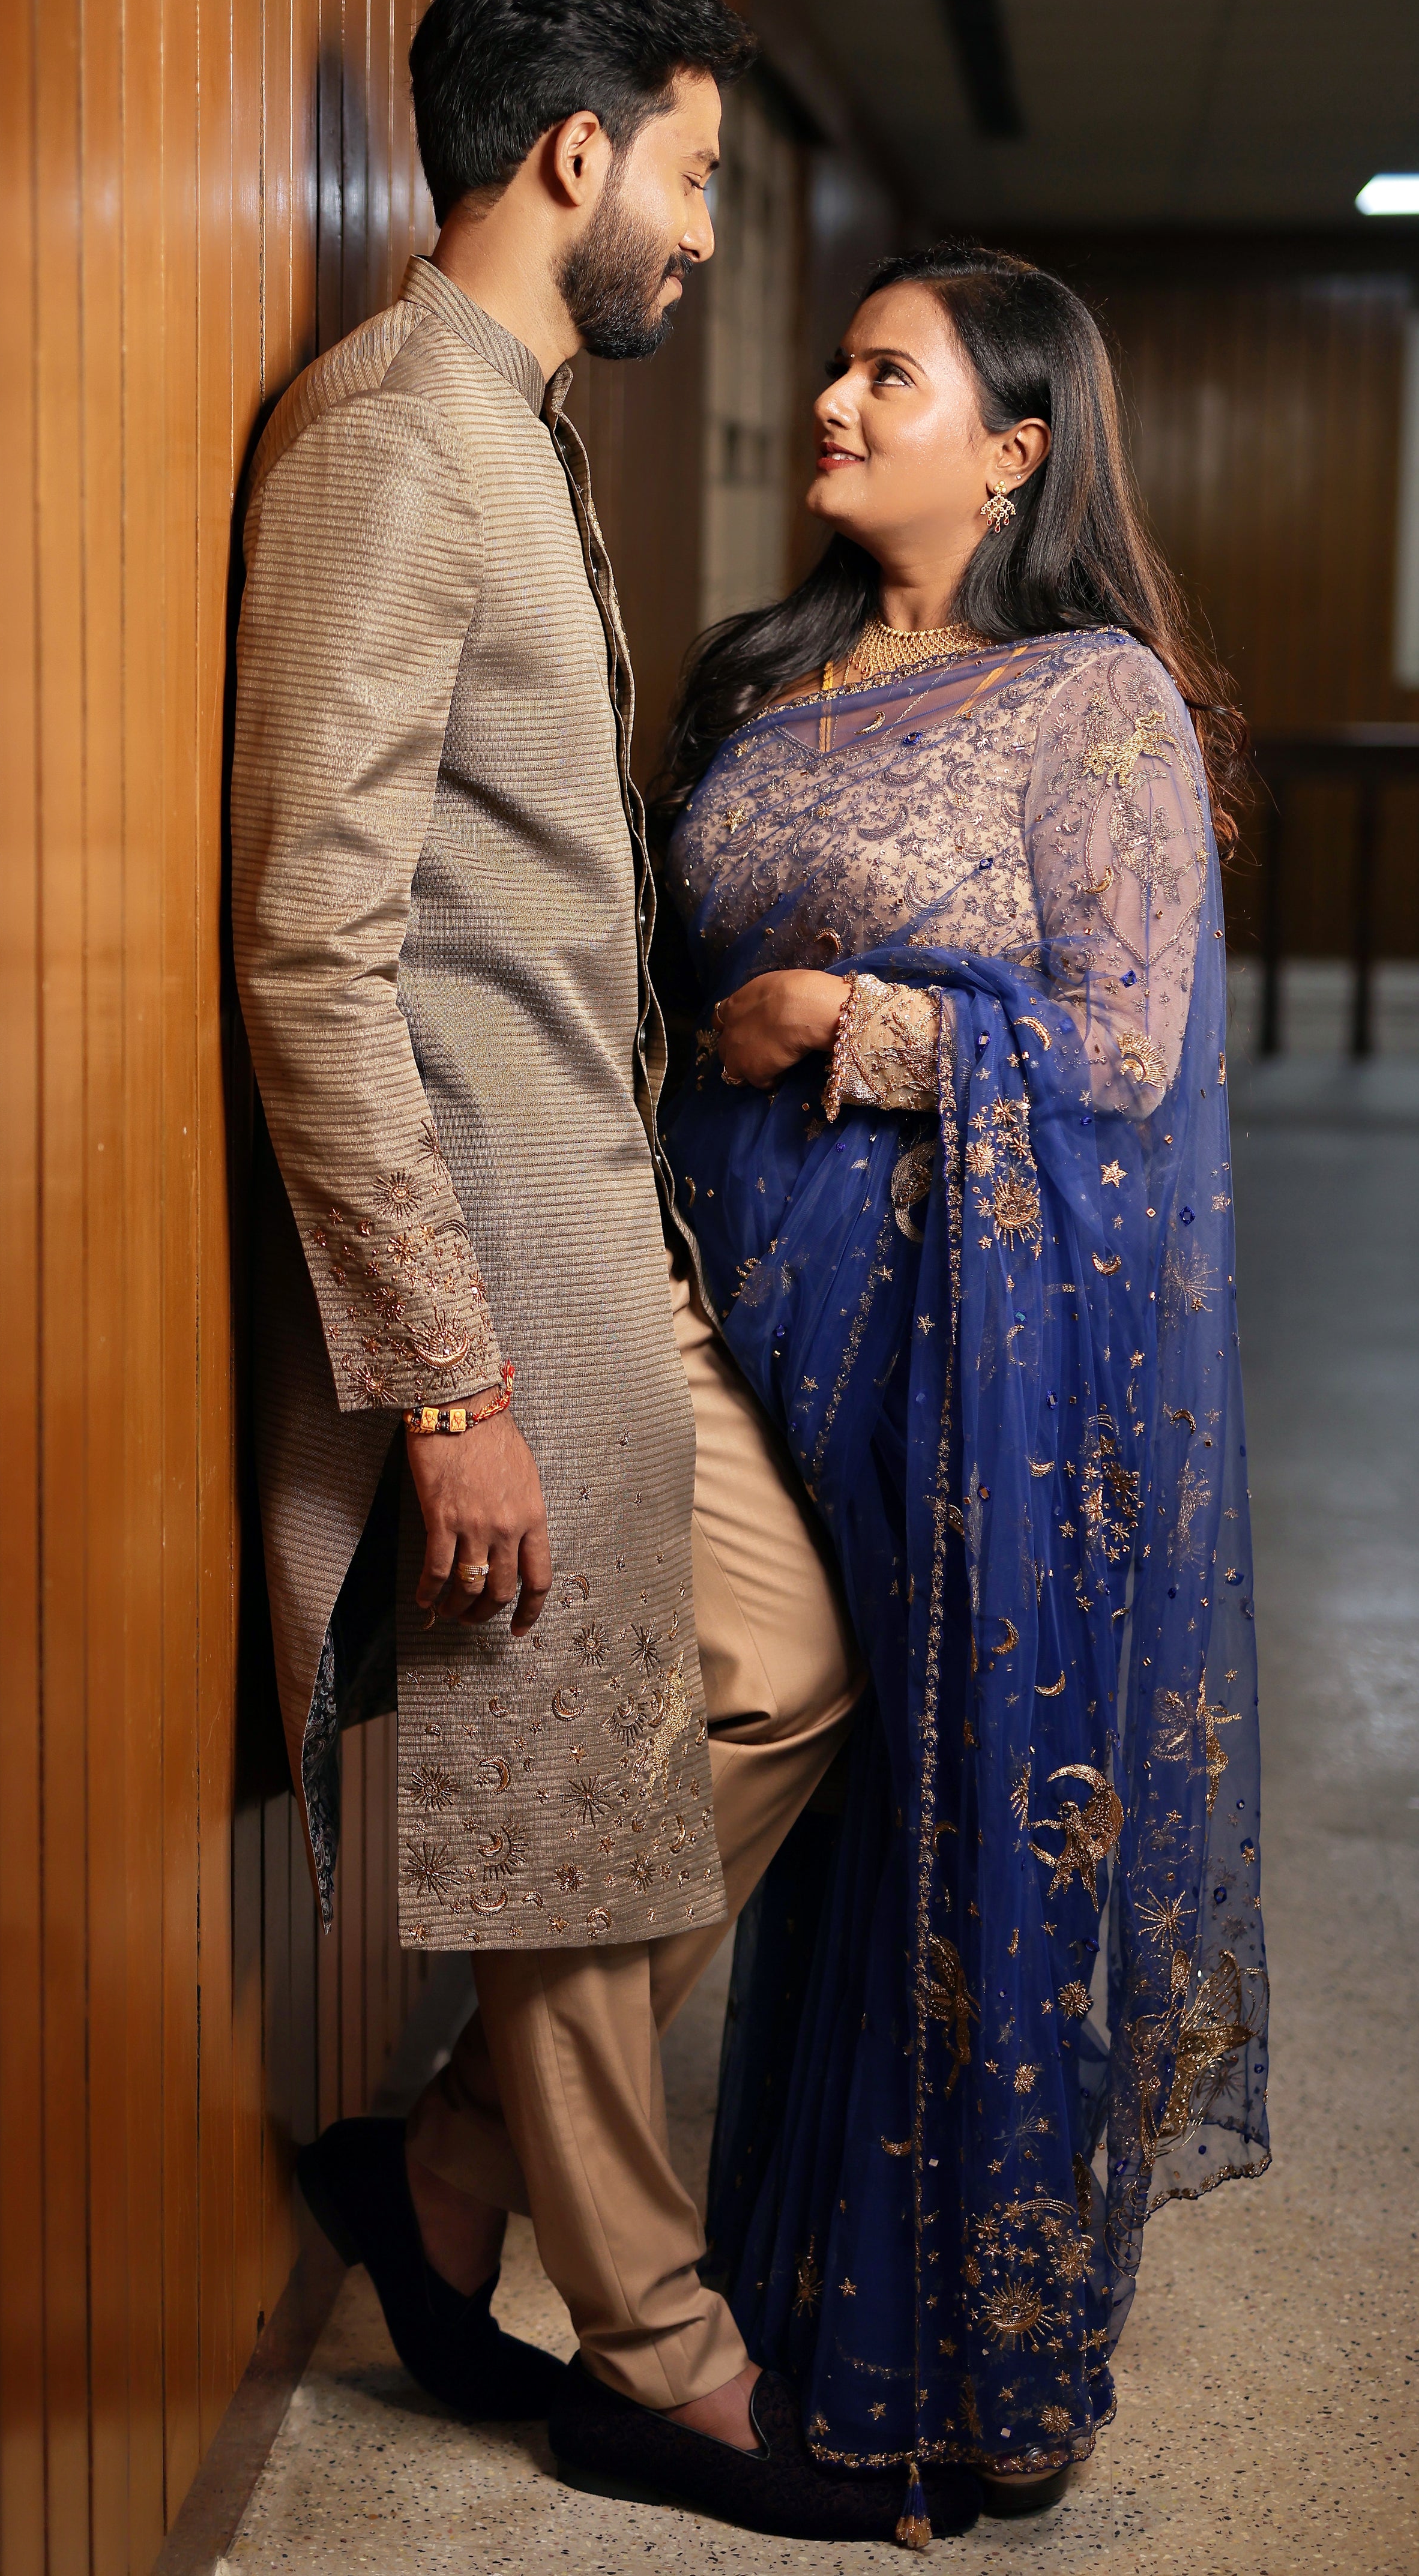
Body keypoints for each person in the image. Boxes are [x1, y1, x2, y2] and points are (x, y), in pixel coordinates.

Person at [232, 0, 983, 2543]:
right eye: (682, 170)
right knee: (568, 1790)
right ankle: (651, 2350)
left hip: (606, 1196)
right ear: (574, 158)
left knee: (777, 1666)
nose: (689, 225)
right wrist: (444, 1379)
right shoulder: (383, 435)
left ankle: (446, 2173)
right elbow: (312, 939)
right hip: (497, 1260)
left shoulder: (509, 426)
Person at [651, 242, 1271, 2537]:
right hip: (742, 1309)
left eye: (881, 374)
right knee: (824, 1799)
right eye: (835, 363)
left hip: (974, 1331)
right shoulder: (767, 675)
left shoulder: (1087, 697)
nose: (829, 398)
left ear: (1011, 450)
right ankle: (805, 2313)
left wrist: (846, 1024)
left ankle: (964, 2373)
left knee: (963, 1801)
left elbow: (1119, 1044)